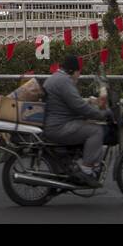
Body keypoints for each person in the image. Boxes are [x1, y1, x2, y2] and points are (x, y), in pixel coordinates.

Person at [42, 55, 107, 184]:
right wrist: (102, 114)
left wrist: (89, 101)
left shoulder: (56, 78)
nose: (79, 76)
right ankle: (87, 170)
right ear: (73, 71)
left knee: (86, 125)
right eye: (79, 72)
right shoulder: (64, 81)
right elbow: (79, 107)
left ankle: (77, 163)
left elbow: (71, 102)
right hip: (59, 127)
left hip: (54, 123)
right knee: (96, 130)